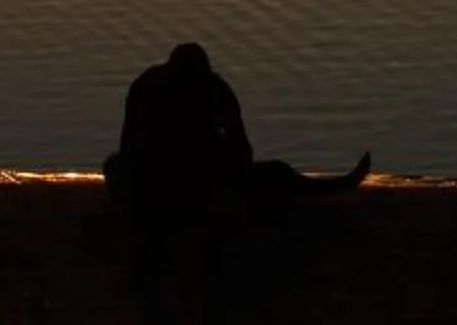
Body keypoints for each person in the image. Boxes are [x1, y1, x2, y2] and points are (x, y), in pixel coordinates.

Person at [102, 43, 369, 301]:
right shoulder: (207, 88)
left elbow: (128, 146)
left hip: (166, 180)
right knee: (274, 176)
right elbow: (240, 148)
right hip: (191, 182)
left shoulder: (149, 85)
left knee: (114, 166)